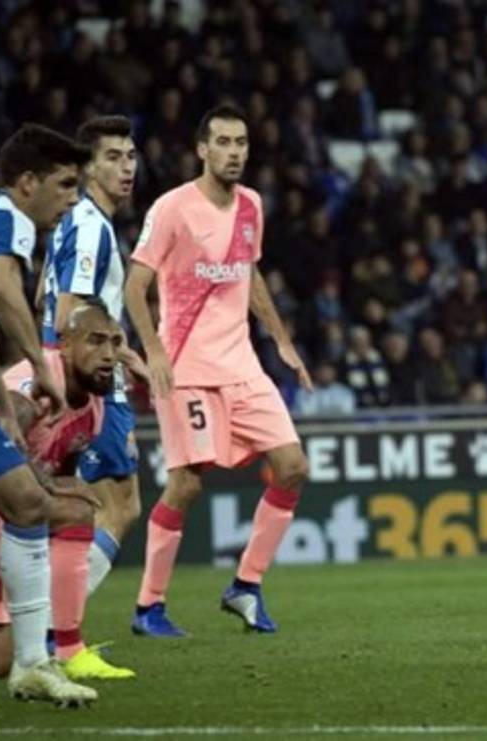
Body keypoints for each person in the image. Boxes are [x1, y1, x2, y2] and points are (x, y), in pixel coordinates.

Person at [123, 103, 312, 637]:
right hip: (186, 368)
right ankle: (148, 606)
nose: (234, 153)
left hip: (243, 365)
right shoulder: (173, 208)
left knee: (293, 466)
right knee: (186, 485)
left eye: (242, 143)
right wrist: (154, 352)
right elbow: (133, 286)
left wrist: (281, 339)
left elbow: (248, 275)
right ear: (202, 149)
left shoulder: (251, 205)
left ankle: (246, 587)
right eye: (224, 143)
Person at [0, 123, 98, 705]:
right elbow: (1, 287)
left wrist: (8, 418)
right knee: (33, 503)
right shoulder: (9, 223)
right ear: (27, 183)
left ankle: (33, 663)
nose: (73, 197)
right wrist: (40, 365)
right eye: (65, 185)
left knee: (28, 503)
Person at [0, 301, 135, 681]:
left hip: (2, 520)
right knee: (74, 514)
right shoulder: (39, 380)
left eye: (115, 343)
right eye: (96, 341)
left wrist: (62, 483)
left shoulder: (93, 406)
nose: (109, 355)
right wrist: (50, 485)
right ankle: (69, 648)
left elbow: (62, 471)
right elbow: (8, 430)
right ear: (64, 345)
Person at [41, 115, 149, 600]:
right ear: (87, 168)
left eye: (130, 156)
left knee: (89, 503)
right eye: (112, 157)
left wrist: (130, 356)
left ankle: (46, 627)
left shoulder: (83, 221)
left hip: (83, 373)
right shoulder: (91, 231)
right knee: (115, 505)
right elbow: (70, 315)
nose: (126, 167)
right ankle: (51, 627)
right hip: (90, 383)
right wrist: (106, 368)